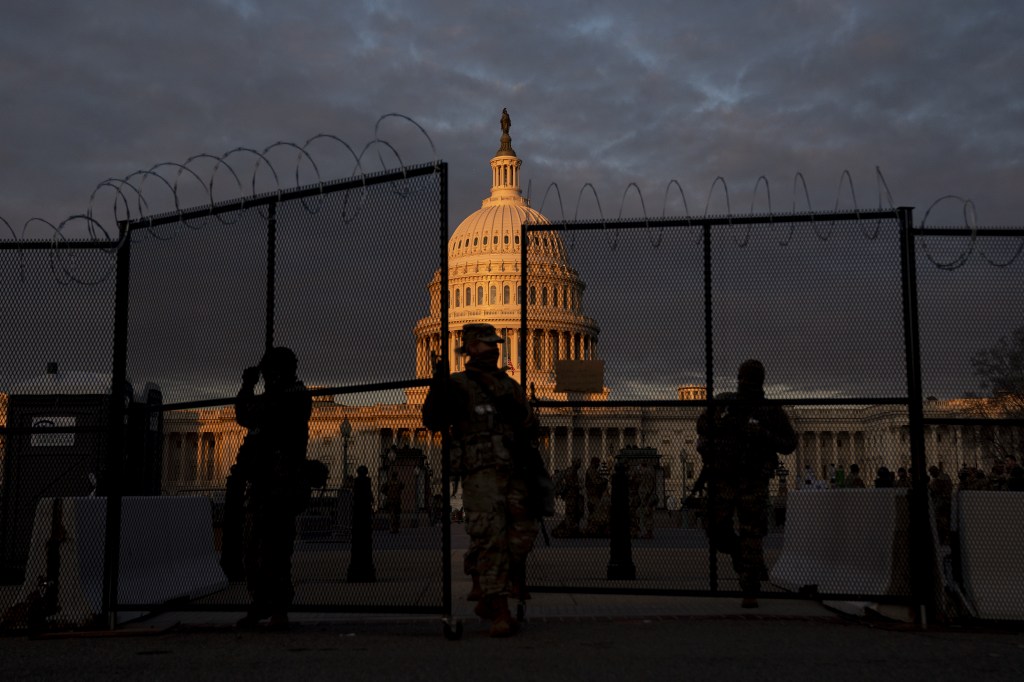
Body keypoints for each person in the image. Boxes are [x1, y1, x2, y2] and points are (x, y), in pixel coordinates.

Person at [422, 323, 540, 637]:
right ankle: (498, 610)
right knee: (491, 538)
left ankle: (492, 596)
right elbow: (433, 420)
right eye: (485, 343)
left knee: (525, 532)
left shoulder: (510, 385)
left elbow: (530, 423)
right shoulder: (458, 385)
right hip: (479, 472)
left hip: (513, 470)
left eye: (495, 343)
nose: (493, 348)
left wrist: (523, 418)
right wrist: (438, 387)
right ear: (469, 348)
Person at [696, 359, 797, 609]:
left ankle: (750, 587)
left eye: (750, 377)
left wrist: (762, 434)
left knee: (751, 533)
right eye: (745, 377)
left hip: (752, 479)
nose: (747, 382)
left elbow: (789, 443)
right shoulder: (726, 402)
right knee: (716, 527)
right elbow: (702, 426)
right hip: (723, 477)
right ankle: (742, 557)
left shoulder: (769, 410)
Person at [232, 347, 312, 630]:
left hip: (281, 484)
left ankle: (277, 607)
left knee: (276, 551)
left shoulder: (294, 397)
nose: (266, 379)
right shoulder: (280, 397)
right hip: (265, 483)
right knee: (254, 549)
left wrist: (247, 386)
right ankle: (261, 602)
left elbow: (247, 413)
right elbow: (247, 415)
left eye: (269, 373)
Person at [384, 469, 404, 533]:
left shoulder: (389, 483)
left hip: (390, 500)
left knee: (392, 514)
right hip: (397, 500)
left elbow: (382, 489)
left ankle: (392, 528)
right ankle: (396, 528)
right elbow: (402, 486)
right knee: (397, 514)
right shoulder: (398, 483)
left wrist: (387, 494)